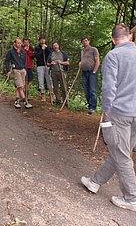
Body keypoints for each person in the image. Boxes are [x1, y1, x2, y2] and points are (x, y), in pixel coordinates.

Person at [81, 24, 136, 212]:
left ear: (113, 40)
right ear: (129, 36)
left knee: (121, 155)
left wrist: (105, 112)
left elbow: (108, 88)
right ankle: (95, 182)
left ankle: (132, 198)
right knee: (120, 151)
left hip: (121, 113)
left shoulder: (113, 56)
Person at [5, 38, 32, 109]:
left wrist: (25, 68)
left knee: (20, 86)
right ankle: (25, 101)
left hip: (22, 70)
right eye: (18, 43)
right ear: (14, 43)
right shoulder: (10, 51)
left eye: (20, 43)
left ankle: (17, 101)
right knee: (20, 86)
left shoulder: (23, 51)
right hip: (16, 70)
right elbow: (7, 61)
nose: (19, 44)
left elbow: (24, 60)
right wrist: (8, 70)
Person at [79, 37, 100, 114]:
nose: (85, 42)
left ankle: (92, 107)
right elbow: (83, 60)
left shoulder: (93, 49)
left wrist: (94, 71)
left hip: (92, 72)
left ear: (89, 41)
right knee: (86, 90)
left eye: (86, 41)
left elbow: (97, 60)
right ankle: (89, 106)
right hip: (84, 72)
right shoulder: (82, 51)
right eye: (83, 41)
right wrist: (80, 64)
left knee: (92, 90)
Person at [47, 42, 69, 107]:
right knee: (55, 87)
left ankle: (65, 101)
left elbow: (68, 63)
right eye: (54, 46)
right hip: (53, 72)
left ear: (58, 46)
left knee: (64, 87)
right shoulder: (51, 54)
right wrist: (51, 63)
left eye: (56, 45)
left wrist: (61, 62)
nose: (55, 46)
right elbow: (48, 64)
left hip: (61, 71)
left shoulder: (63, 53)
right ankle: (58, 101)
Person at [34, 36, 54, 104]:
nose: (42, 41)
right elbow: (37, 57)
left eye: (43, 40)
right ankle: (42, 94)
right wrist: (41, 50)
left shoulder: (48, 47)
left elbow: (50, 54)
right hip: (40, 65)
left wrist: (46, 48)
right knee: (41, 80)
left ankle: (51, 94)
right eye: (41, 40)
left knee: (49, 79)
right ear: (39, 41)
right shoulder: (36, 48)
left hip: (47, 65)